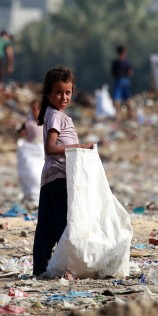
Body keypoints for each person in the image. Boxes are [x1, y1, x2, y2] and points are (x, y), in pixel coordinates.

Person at [32, 66, 94, 276]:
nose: (64, 97)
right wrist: (80, 147)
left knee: (46, 228)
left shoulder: (53, 114)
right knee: (62, 226)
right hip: (59, 178)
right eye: (59, 92)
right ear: (49, 93)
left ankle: (41, 269)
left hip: (50, 178)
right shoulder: (56, 116)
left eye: (68, 92)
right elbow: (50, 148)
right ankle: (65, 268)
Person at [110, 45, 133, 119]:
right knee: (127, 98)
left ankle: (118, 115)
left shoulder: (115, 62)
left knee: (117, 99)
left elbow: (113, 74)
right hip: (126, 80)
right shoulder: (127, 62)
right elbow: (130, 73)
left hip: (118, 80)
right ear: (124, 52)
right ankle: (130, 114)